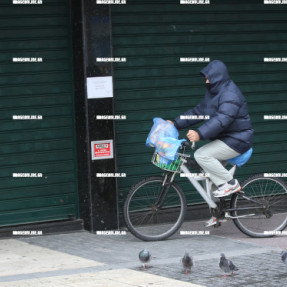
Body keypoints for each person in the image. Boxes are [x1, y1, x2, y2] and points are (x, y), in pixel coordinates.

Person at [168, 60, 254, 227]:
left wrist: (200, 133)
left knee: (202, 155)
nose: (206, 81)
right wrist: (176, 123)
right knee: (210, 174)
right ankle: (219, 214)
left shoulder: (230, 94)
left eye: (208, 78)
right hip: (226, 138)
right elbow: (198, 112)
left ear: (217, 77)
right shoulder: (214, 93)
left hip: (238, 140)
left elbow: (222, 120)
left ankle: (230, 183)